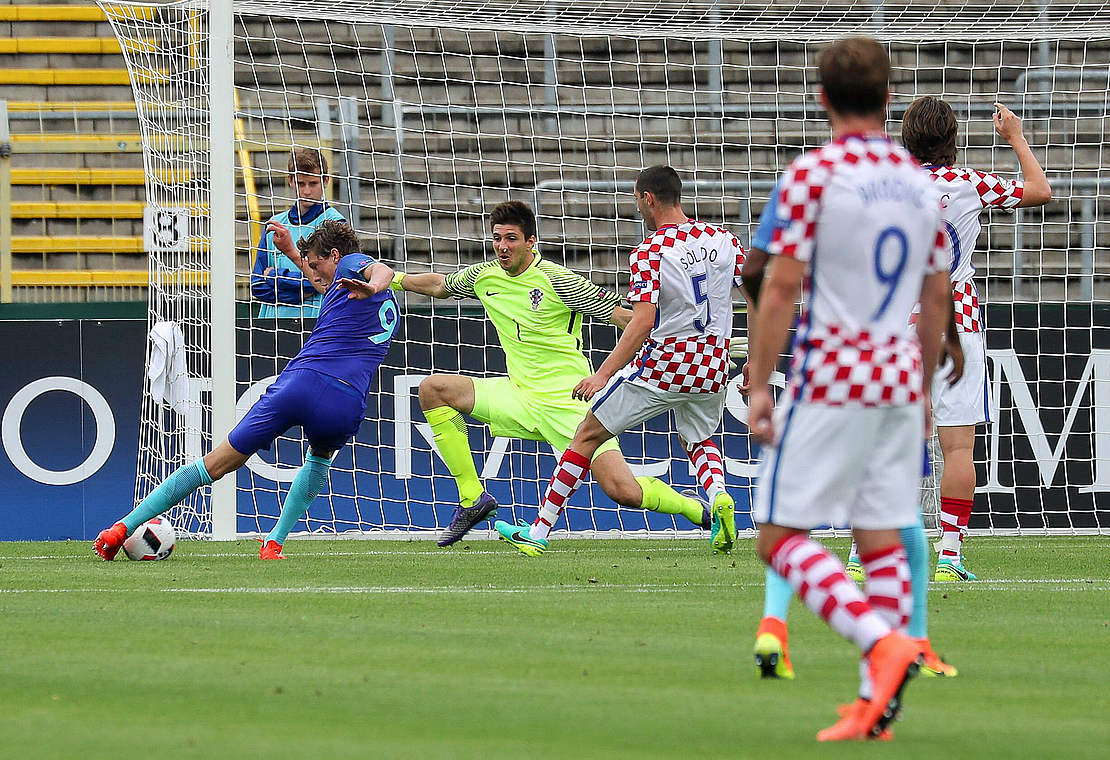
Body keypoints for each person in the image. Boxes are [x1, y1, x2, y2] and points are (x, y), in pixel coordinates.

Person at [744, 36, 955, 741]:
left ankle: (879, 643)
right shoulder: (921, 184)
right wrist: (922, 389)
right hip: (898, 378)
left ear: (823, 99)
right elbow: (936, 295)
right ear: (889, 99)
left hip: (833, 376)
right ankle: (875, 704)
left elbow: (780, 287)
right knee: (881, 536)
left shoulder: (815, 175)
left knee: (778, 536)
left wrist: (759, 382)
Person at [393, 200, 717, 549]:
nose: (502, 247)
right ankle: (473, 498)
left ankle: (693, 508)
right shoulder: (483, 276)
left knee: (623, 491)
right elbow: (440, 285)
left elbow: (627, 317)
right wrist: (392, 279)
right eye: (497, 238)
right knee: (433, 390)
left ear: (531, 241)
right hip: (519, 396)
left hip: (569, 402)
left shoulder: (560, 281)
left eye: (511, 239)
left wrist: (680, 338)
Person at [95, 220, 399, 560]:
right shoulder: (368, 296)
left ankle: (121, 528)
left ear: (336, 255)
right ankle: (274, 544)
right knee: (318, 461)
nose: (314, 274)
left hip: (301, 383)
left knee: (214, 464)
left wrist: (374, 283)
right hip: (344, 401)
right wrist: (292, 253)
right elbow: (341, 281)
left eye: (316, 264)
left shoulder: (355, 266)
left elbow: (382, 270)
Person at [493, 166, 743, 557]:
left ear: (648, 199)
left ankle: (538, 532)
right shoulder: (724, 239)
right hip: (713, 364)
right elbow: (757, 296)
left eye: (637, 200)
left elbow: (642, 321)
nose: (638, 208)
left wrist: (602, 374)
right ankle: (719, 495)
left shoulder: (650, 251)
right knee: (698, 437)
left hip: (665, 364)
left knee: (587, 434)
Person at [900, 97, 1053, 581]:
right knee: (958, 448)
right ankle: (949, 556)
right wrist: (1015, 136)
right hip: (957, 324)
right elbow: (1040, 190)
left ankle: (865, 556)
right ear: (953, 139)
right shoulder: (969, 183)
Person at [250, 147, 347, 318]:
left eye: (313, 183)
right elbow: (257, 286)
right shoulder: (275, 225)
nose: (307, 191)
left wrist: (275, 276)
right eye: (301, 184)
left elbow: (331, 282)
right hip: (272, 323)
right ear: (291, 181)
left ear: (325, 181)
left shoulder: (335, 223)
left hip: (317, 321)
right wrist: (305, 290)